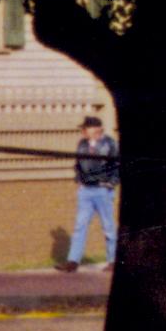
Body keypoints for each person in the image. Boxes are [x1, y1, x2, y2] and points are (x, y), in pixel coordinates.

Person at [66, 114, 120, 272]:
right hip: (86, 191)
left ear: (95, 129)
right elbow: (77, 164)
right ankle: (73, 261)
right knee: (80, 226)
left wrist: (111, 183)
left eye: (86, 127)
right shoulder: (82, 144)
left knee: (108, 226)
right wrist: (79, 180)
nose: (83, 130)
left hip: (103, 189)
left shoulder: (110, 144)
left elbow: (117, 166)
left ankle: (113, 260)